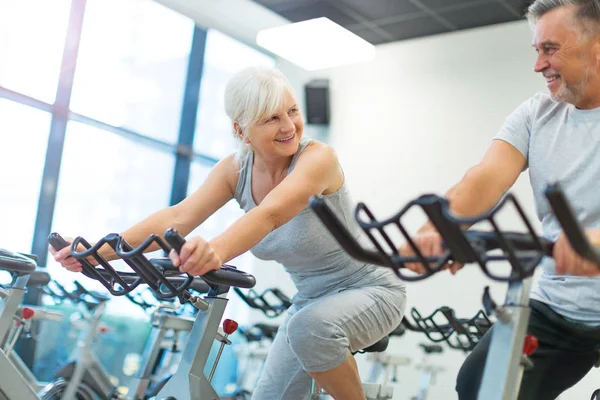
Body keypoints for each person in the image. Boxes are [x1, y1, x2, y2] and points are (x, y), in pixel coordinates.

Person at [50, 65, 406, 400]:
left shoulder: (318, 159)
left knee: (309, 330)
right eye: (271, 118)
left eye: (292, 112)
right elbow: (178, 217)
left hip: (372, 290)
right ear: (241, 130)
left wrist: (215, 251)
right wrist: (98, 252)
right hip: (310, 301)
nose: (288, 126)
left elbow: (270, 214)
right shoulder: (235, 171)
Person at [402, 1, 600, 399]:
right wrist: (438, 231)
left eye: (550, 48)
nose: (538, 65)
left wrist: (591, 243)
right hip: (558, 306)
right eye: (537, 51)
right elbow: (485, 178)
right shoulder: (535, 114)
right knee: (481, 384)